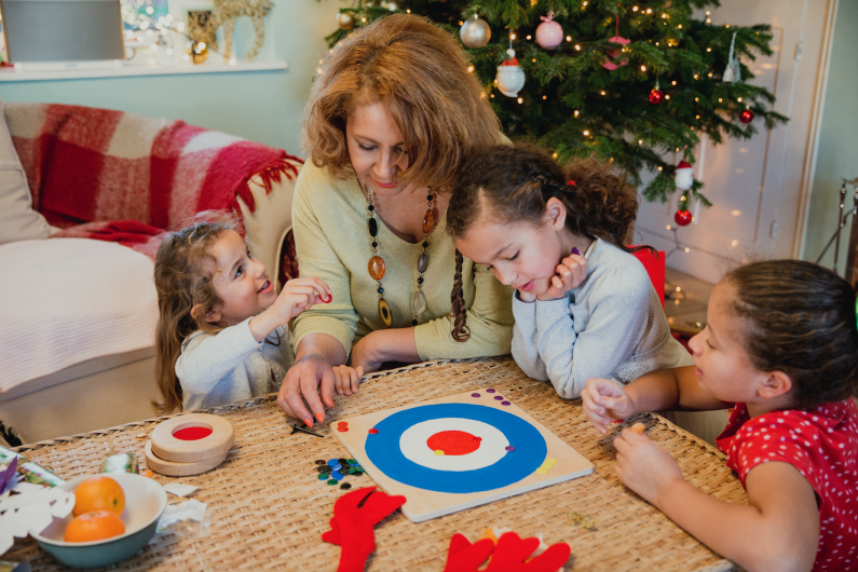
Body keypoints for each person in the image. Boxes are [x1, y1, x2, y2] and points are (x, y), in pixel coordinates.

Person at [282, 14, 514, 426]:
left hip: (479, 377)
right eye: (366, 146)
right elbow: (327, 311)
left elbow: (497, 328)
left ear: (445, 133)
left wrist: (380, 344)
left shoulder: (489, 170)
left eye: (408, 148)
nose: (385, 171)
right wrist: (314, 356)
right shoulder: (321, 182)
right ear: (341, 126)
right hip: (362, 386)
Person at [581, 260, 858, 572]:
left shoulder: (774, 439)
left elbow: (783, 558)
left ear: (771, 382)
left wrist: (665, 486)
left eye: (713, 342)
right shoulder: (813, 391)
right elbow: (676, 385)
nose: (695, 343)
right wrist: (628, 399)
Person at [447, 144, 693, 400]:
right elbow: (536, 369)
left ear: (554, 215)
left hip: (664, 422)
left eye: (511, 256)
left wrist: (552, 302)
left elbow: (572, 385)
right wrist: (535, 298)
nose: (506, 278)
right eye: (491, 267)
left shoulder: (620, 282)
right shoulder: (539, 275)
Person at [153, 217, 361, 415]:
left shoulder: (276, 331)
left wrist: (330, 373)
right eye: (239, 271)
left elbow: (299, 378)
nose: (260, 267)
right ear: (210, 312)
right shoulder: (200, 345)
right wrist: (272, 317)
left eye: (249, 255)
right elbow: (192, 377)